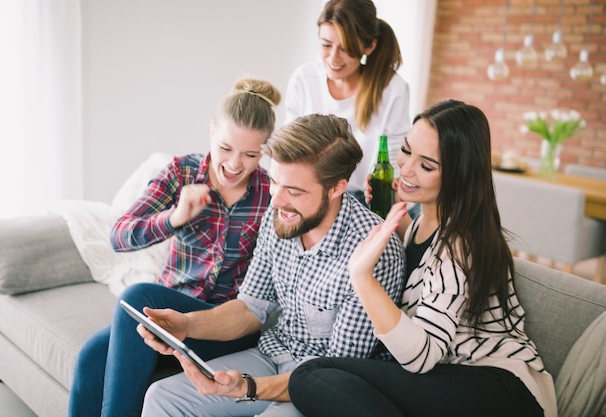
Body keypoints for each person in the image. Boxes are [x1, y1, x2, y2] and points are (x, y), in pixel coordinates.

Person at [288, 100, 557, 417]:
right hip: (453, 378)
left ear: (459, 176)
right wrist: (392, 221)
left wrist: (361, 277)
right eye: (406, 150)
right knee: (324, 377)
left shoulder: (461, 243)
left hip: (503, 390)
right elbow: (421, 263)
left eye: (427, 166)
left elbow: (421, 357)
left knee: (310, 376)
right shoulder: (420, 223)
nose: (406, 168)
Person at [137, 113, 407, 417]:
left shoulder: (375, 252)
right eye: (275, 182)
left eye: (294, 190)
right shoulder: (281, 215)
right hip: (273, 353)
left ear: (336, 188)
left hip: (327, 382)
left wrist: (247, 388)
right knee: (163, 397)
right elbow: (252, 307)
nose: (276, 199)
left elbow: (330, 373)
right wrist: (187, 325)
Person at [68, 78, 281, 417]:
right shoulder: (182, 172)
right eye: (226, 148)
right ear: (212, 131)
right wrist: (174, 218)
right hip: (168, 312)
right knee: (90, 358)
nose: (234, 164)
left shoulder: (270, 194)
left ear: (264, 150)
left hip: (223, 326)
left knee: (137, 297)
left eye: (250, 154)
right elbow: (119, 236)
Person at [285, 0, 411, 202]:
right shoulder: (304, 80)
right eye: (326, 45)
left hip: (366, 199)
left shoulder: (392, 88)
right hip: (311, 193)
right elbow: (290, 149)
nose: (333, 57)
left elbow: (394, 164)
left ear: (369, 46)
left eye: (345, 48)